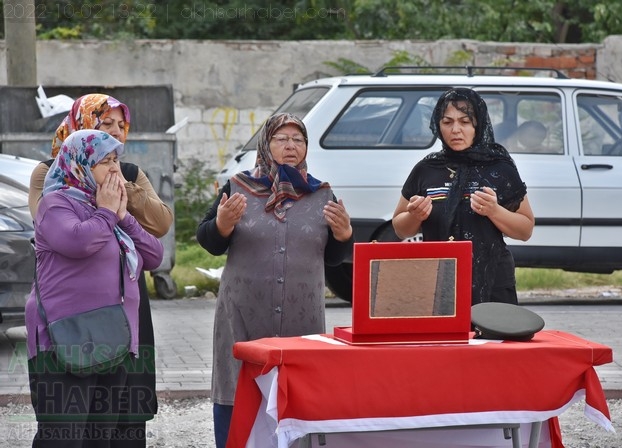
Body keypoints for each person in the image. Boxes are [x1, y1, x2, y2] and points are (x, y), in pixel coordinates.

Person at [196, 113, 354, 447]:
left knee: (296, 405)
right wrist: (222, 224)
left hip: (301, 323)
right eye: (281, 138)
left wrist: (344, 236)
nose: (290, 146)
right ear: (266, 145)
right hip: (242, 318)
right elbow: (209, 241)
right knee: (237, 395)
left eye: (298, 140)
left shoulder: (321, 194)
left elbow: (334, 259)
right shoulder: (238, 187)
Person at [28, 93, 174, 444]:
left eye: (115, 157)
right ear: (81, 161)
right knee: (64, 435)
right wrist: (108, 212)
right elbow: (77, 241)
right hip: (67, 335)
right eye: (106, 160)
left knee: (107, 433)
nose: (115, 169)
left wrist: (123, 212)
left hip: (113, 330)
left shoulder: (118, 191)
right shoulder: (55, 198)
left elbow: (155, 251)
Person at [392, 88, 534, 305]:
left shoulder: (499, 168)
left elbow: (525, 230)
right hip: (439, 281)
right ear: (438, 126)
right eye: (447, 122)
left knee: (492, 339)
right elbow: (400, 228)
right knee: (445, 339)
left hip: (493, 282)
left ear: (478, 124)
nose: (455, 130)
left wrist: (495, 211)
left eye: (465, 122)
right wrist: (415, 216)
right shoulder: (426, 169)